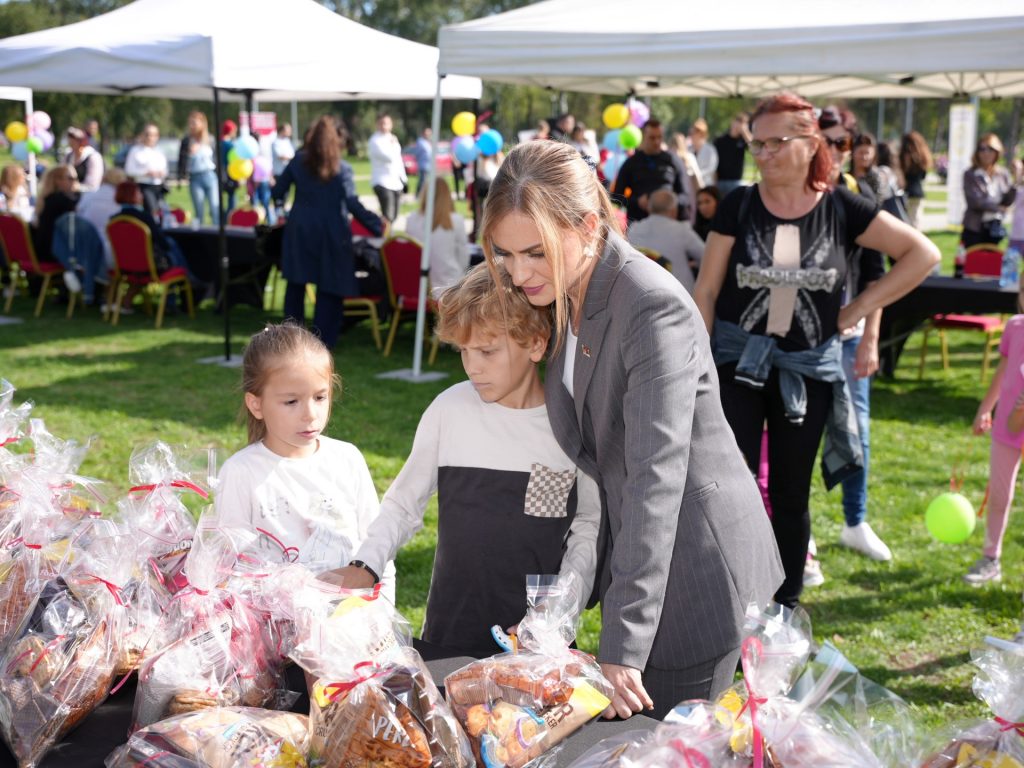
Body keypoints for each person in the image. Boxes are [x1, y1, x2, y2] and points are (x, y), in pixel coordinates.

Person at [483, 140, 784, 720]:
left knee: (677, 749)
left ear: (589, 225)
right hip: (649, 566)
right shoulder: (570, 288)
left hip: (693, 573)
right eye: (505, 253)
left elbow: (655, 478)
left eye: (535, 253)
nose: (519, 274)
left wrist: (624, 642)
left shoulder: (648, 306)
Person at [693, 92, 939, 609]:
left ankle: (784, 608)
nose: (763, 154)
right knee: (728, 487)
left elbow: (923, 254)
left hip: (805, 373)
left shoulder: (841, 207)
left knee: (789, 493)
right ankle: (729, 595)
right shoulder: (738, 203)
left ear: (810, 144)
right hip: (737, 366)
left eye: (776, 142)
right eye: (756, 143)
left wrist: (858, 311)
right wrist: (697, 364)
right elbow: (708, 291)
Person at [339, 264, 599, 657]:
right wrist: (365, 565)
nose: (472, 366)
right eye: (464, 351)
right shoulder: (449, 410)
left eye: (487, 351)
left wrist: (558, 611)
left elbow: (588, 529)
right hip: (449, 632)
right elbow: (403, 503)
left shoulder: (572, 426)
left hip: (537, 646)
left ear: (536, 343)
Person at [214, 322, 395, 603]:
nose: (310, 414)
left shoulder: (347, 459)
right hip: (275, 635)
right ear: (256, 405)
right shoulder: (241, 472)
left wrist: (382, 617)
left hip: (350, 628)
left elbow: (377, 547)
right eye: (291, 402)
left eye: (320, 397)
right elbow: (227, 567)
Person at [819, 109, 892, 566]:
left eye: (841, 142)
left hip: (850, 335)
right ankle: (797, 541)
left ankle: (855, 521)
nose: (833, 150)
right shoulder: (788, 196)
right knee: (793, 440)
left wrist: (869, 337)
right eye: (826, 140)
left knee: (856, 430)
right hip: (800, 341)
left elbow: (875, 273)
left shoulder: (857, 195)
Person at [272, 115, 383, 350]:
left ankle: (291, 341)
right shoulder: (342, 168)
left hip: (300, 230)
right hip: (332, 233)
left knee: (296, 285)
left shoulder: (297, 161)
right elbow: (352, 203)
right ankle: (322, 343)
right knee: (329, 287)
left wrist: (283, 210)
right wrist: (376, 224)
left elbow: (277, 192)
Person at [612, 119, 690, 224]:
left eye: (659, 137)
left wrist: (668, 202)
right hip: (639, 223)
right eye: (652, 138)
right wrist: (637, 202)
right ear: (644, 137)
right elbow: (616, 197)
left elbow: (685, 196)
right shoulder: (631, 163)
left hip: (668, 223)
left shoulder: (673, 160)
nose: (656, 142)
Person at [626, 188, 704, 292]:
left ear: (649, 209)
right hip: (681, 293)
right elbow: (706, 256)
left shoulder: (633, 230)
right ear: (674, 210)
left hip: (644, 291)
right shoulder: (681, 230)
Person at [404, 176, 469, 296]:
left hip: (416, 287)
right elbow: (463, 258)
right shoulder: (455, 221)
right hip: (449, 288)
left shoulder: (412, 220)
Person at [962, 133, 1015, 248]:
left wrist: (1016, 182)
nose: (986, 153)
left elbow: (1008, 199)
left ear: (997, 151)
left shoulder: (1002, 174)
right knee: (974, 263)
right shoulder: (971, 174)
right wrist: (998, 208)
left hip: (995, 227)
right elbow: (976, 202)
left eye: (990, 149)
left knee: (993, 263)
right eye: (982, 149)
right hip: (975, 228)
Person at [77, 167, 127, 276]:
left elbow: (78, 216)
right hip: (111, 255)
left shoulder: (89, 196)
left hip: (83, 251)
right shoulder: (121, 201)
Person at [176, 111, 219, 226]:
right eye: (190, 123)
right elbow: (182, 160)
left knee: (215, 209)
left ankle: (216, 237)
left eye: (194, 123)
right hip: (195, 177)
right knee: (199, 211)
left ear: (202, 124)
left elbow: (216, 159)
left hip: (210, 176)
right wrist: (189, 154)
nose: (192, 126)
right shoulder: (187, 141)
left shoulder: (210, 139)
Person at [31, 166, 78, 267]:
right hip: (54, 254)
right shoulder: (61, 201)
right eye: (70, 178)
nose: (74, 181)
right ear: (57, 181)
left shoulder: (46, 199)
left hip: (40, 252)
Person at [367, 113, 406, 224]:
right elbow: (389, 157)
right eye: (382, 123)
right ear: (377, 125)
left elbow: (398, 160)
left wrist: (403, 179)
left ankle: (389, 236)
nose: (384, 126)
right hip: (382, 182)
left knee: (394, 216)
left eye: (387, 123)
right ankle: (385, 238)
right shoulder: (375, 141)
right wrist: (393, 146)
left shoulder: (393, 138)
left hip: (396, 182)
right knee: (387, 215)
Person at [124, 123, 168, 217]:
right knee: (151, 212)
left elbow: (165, 170)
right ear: (143, 135)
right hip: (144, 186)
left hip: (159, 186)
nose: (150, 137)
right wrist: (146, 173)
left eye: (153, 135)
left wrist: (162, 173)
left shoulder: (160, 151)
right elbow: (129, 171)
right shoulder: (135, 150)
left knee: (161, 213)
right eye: (147, 134)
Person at [899, 131, 932, 230]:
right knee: (915, 221)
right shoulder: (921, 157)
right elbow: (923, 176)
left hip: (905, 192)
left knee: (906, 222)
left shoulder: (902, 156)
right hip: (917, 193)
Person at [713, 112, 751, 197]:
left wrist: (745, 132)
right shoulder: (720, 140)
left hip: (736, 181)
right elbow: (714, 162)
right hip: (720, 181)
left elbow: (754, 147)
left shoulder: (743, 140)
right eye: (738, 122)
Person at [63, 126, 104, 192]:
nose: (71, 143)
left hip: (87, 196)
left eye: (74, 141)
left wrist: (76, 187)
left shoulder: (93, 157)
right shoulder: (68, 156)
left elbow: (93, 185)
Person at [689, 118, 719, 184]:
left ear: (701, 134)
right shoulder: (688, 149)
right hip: (691, 184)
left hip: (705, 184)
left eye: (693, 133)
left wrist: (697, 175)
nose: (691, 135)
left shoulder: (710, 150)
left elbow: (711, 168)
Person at [220, 119, 239, 215]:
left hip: (222, 172)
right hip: (229, 173)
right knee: (232, 197)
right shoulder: (229, 145)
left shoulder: (219, 143)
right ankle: (230, 215)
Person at [412, 126, 433, 196]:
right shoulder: (420, 142)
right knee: (422, 181)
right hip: (423, 165)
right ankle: (418, 195)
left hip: (429, 165)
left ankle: (425, 194)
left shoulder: (429, 142)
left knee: (427, 181)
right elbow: (417, 153)